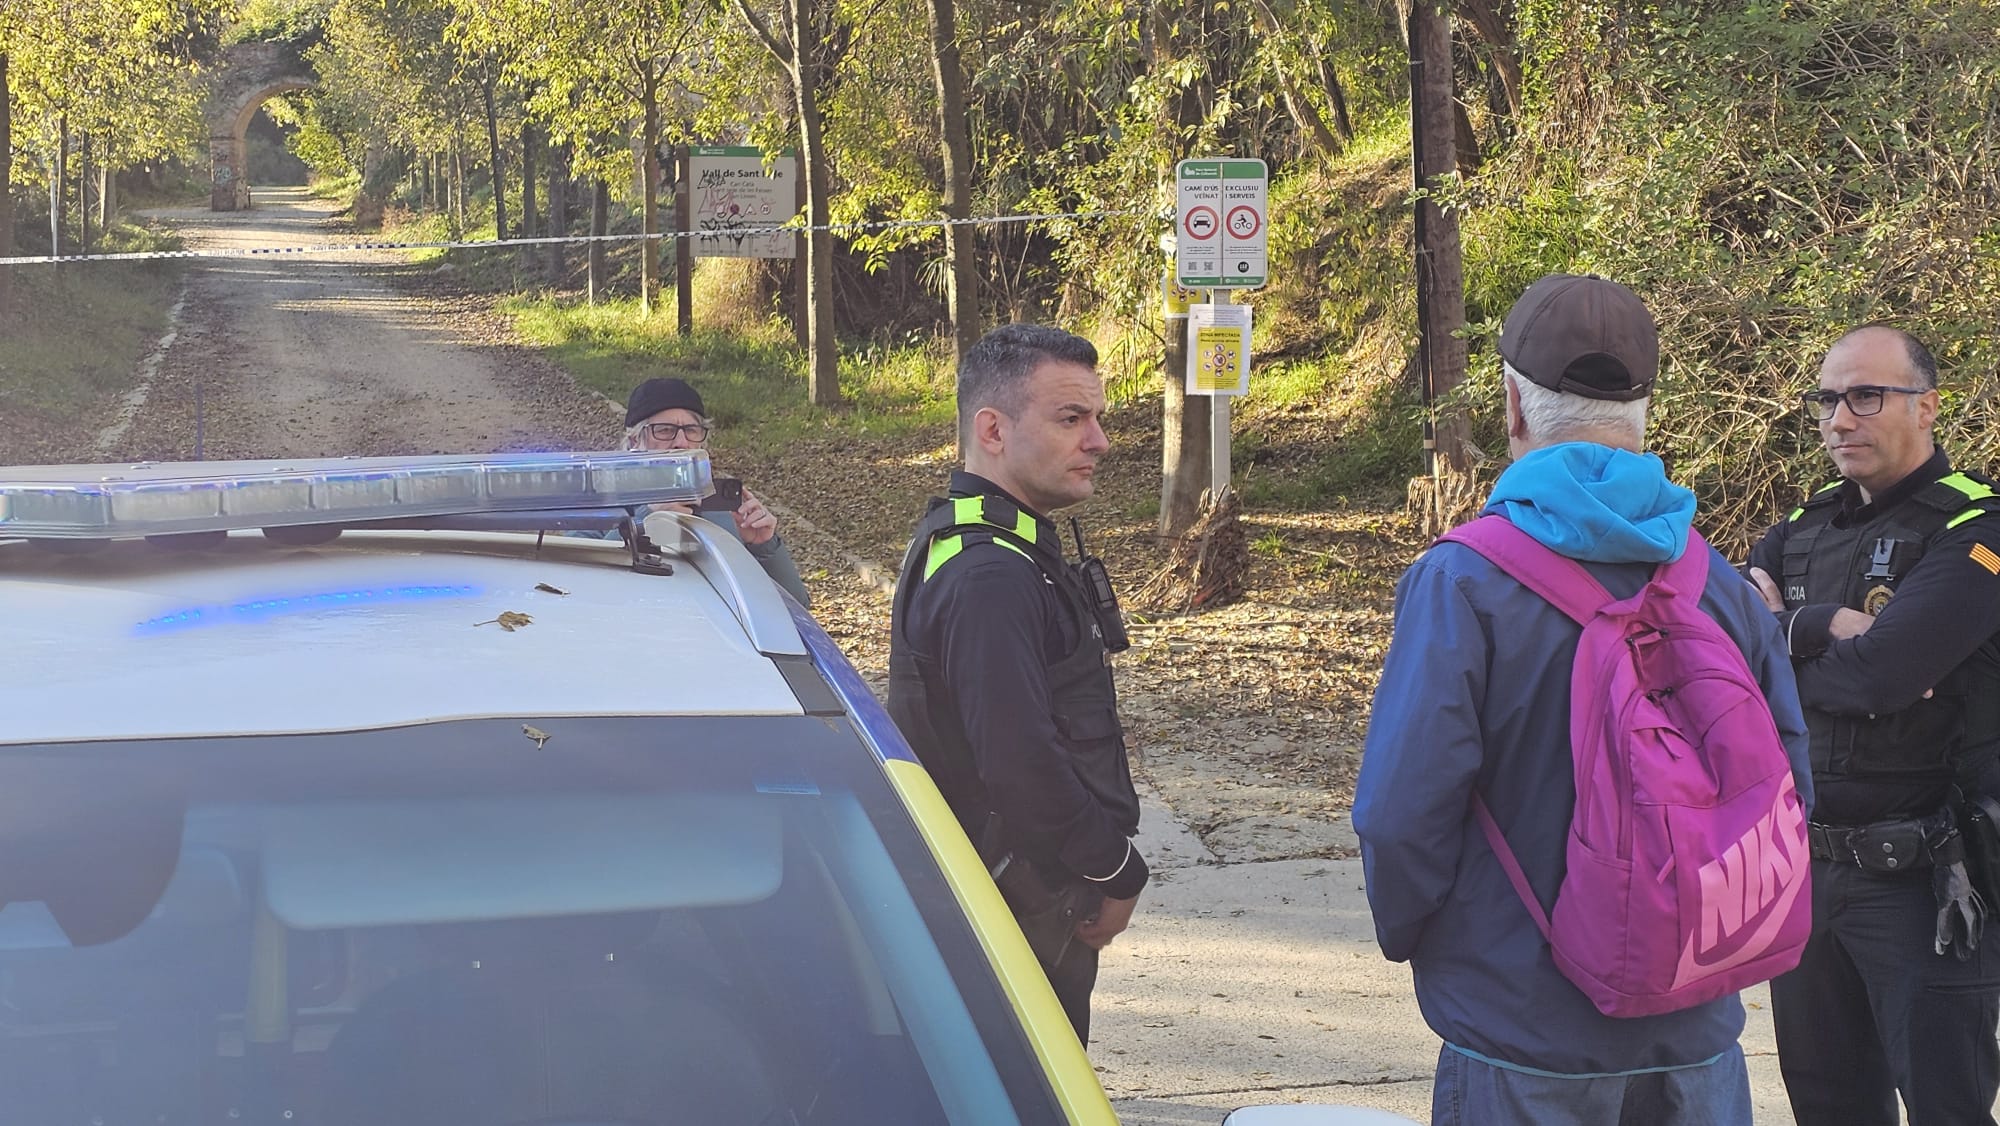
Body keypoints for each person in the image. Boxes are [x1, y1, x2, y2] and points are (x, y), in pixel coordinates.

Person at [1353, 274, 1810, 1125]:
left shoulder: (1462, 579)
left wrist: (1422, 939)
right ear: (1646, 409)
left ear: (1513, 408)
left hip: (1521, 1025)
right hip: (1697, 1025)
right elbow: (1788, 781)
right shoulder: (1715, 582)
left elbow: (1402, 808)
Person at [1744, 325, 2000, 1126]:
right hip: (1807, 878)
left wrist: (1785, 651)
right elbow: (1724, 653)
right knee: (1827, 1108)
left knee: (1946, 1109)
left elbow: (1886, 674)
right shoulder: (1799, 528)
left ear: (1926, 406)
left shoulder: (1976, 529)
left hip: (1929, 883)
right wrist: (1818, 625)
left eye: (1866, 396)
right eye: (1827, 399)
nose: (1840, 419)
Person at [886, 323, 1146, 1043]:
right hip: (1010, 910)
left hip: (1010, 904)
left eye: (1097, 418)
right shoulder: (990, 573)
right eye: (1071, 419)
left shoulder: (990, 539)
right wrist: (1116, 868)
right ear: (992, 430)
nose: (1098, 441)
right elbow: (1019, 763)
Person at [615, 377, 811, 607]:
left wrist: (763, 546)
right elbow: (583, 594)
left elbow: (797, 608)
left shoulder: (724, 513)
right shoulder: (600, 505)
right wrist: (645, 518)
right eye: (665, 430)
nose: (682, 442)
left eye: (691, 430)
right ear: (634, 441)